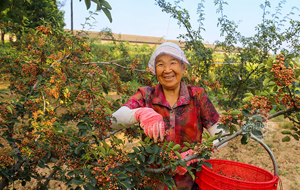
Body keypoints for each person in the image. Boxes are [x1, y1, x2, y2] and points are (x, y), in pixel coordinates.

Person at [110, 42, 226, 189]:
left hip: (190, 183)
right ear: (154, 69)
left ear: (183, 67)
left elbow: (223, 136)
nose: (167, 70)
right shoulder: (146, 95)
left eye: (173, 63)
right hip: (154, 181)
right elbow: (112, 121)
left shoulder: (197, 96)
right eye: (160, 64)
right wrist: (139, 113)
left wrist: (194, 154)